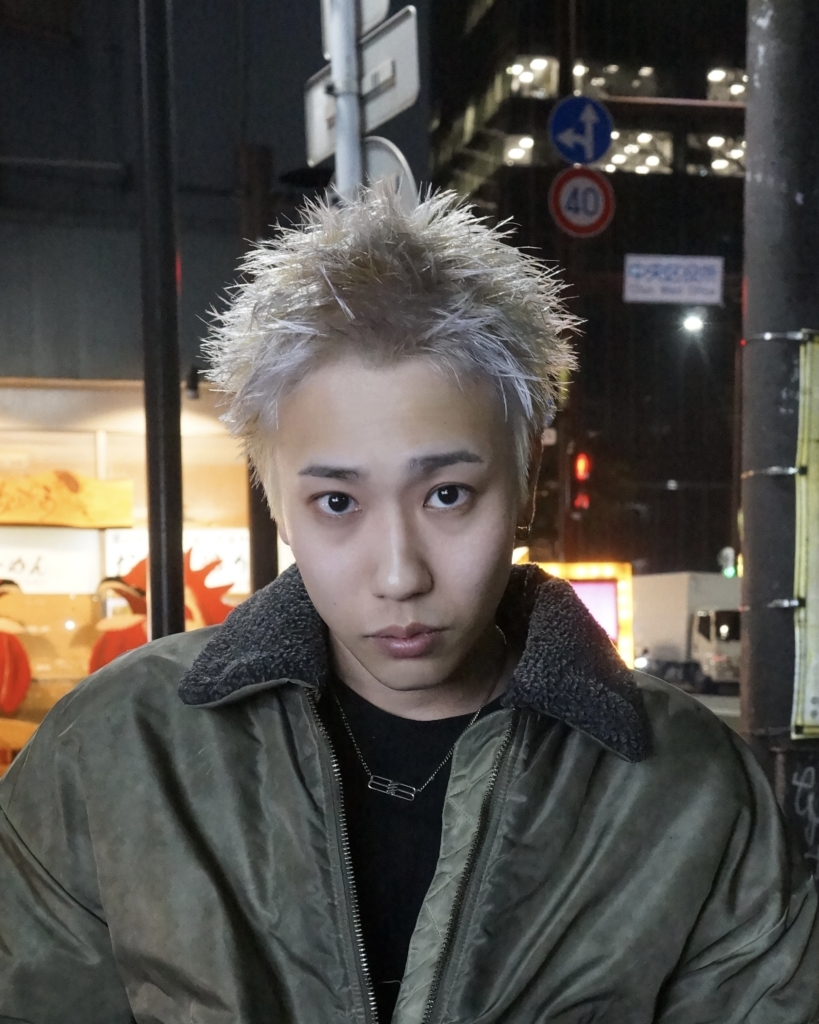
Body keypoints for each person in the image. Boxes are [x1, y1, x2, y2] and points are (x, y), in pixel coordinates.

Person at [1, 185, 817, 1024]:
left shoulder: (686, 786)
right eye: (337, 503)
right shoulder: (118, 750)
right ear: (277, 503)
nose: (398, 575)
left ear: (525, 482)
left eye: (447, 495)